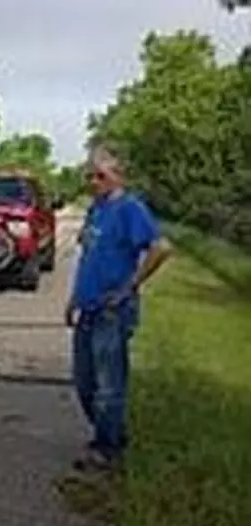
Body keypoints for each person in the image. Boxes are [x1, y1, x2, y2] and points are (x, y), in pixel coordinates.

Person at [65, 144, 172, 472]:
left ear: (118, 176)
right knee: (84, 382)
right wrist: (72, 299)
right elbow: (88, 258)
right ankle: (111, 436)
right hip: (88, 308)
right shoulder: (96, 210)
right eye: (90, 175)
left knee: (109, 385)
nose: (94, 181)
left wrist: (130, 286)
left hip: (113, 311)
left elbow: (161, 248)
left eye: (101, 175)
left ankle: (107, 450)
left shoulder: (130, 209)